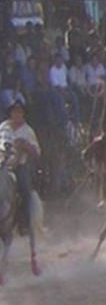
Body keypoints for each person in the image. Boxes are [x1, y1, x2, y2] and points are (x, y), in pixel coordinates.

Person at [0, 100, 40, 235]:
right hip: (1, 163)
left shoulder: (28, 131)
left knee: (24, 189)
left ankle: (25, 222)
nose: (16, 114)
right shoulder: (3, 127)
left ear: (23, 114)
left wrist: (26, 146)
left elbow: (37, 153)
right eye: (14, 112)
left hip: (19, 165)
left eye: (19, 112)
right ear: (10, 113)